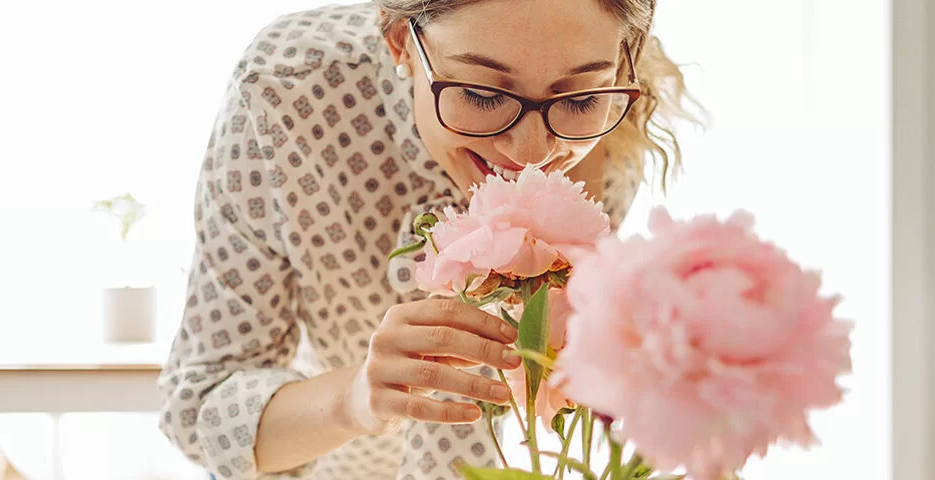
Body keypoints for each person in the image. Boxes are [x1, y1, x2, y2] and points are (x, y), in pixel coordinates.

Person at [158, 1, 698, 478]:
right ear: (401, 41)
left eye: (578, 99)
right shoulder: (286, 91)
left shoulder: (609, 148)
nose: (534, 152)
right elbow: (200, 411)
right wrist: (355, 400)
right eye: (482, 94)